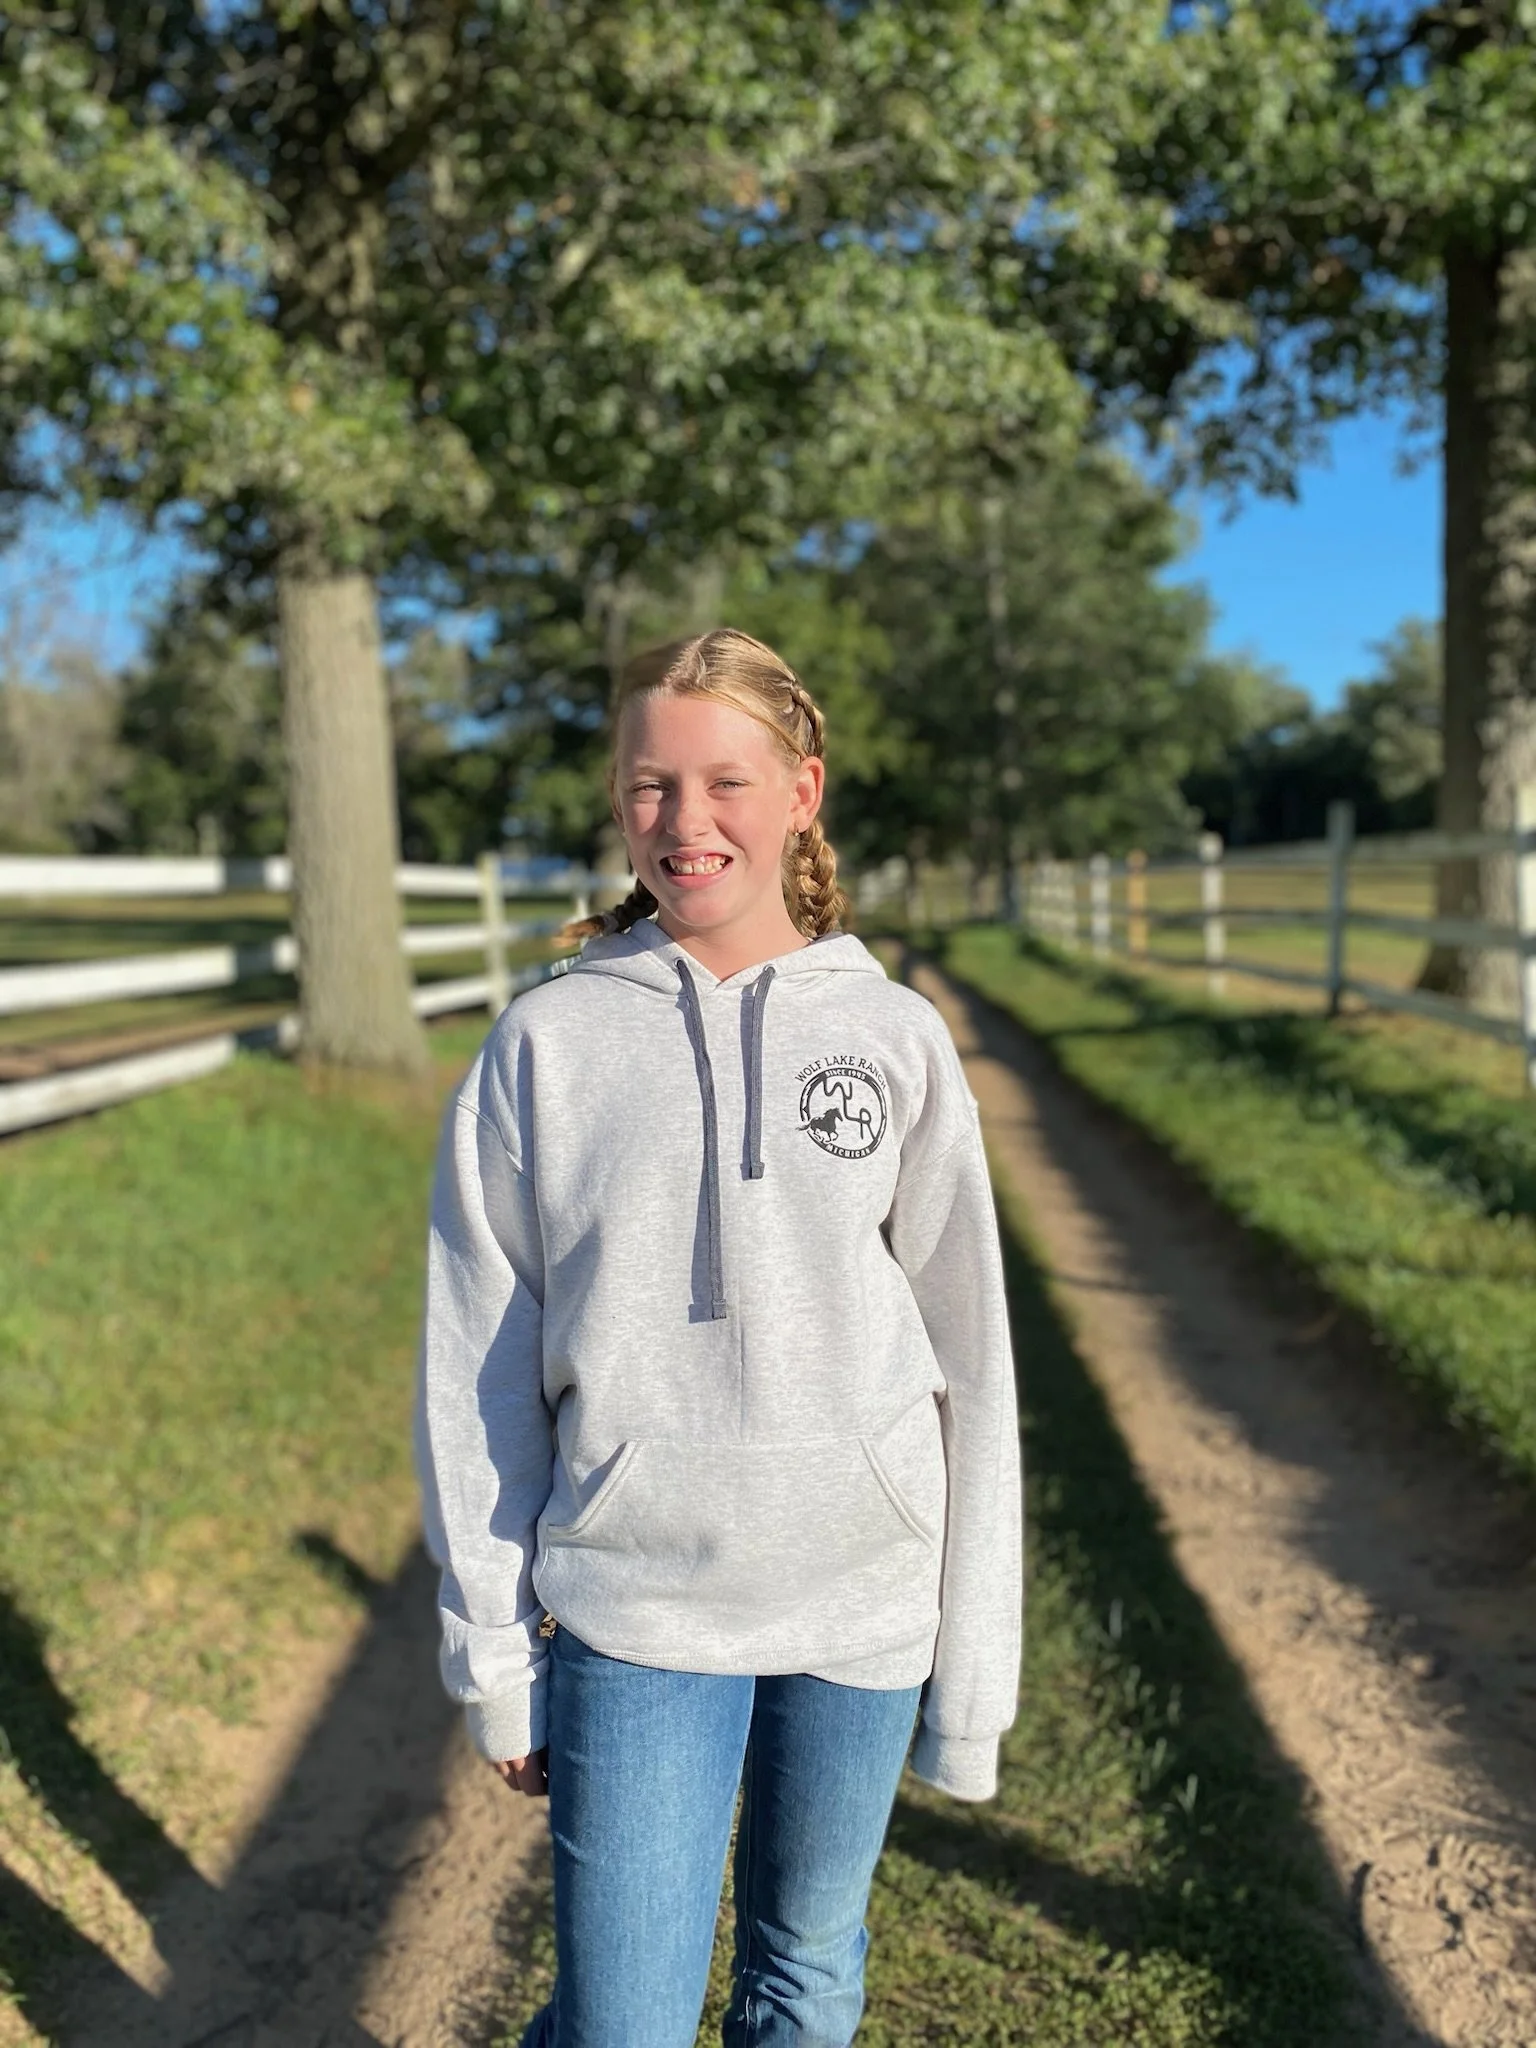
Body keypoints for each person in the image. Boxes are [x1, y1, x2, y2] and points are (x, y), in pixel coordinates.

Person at [414, 628, 1023, 2048]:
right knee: (619, 2022)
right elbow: (478, 1370)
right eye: (651, 784)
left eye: (727, 782)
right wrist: (496, 1653)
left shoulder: (895, 1038)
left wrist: (973, 1678)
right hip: (639, 1611)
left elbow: (974, 1369)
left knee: (803, 1974)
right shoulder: (547, 1046)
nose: (686, 820)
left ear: (802, 792)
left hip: (863, 1605)